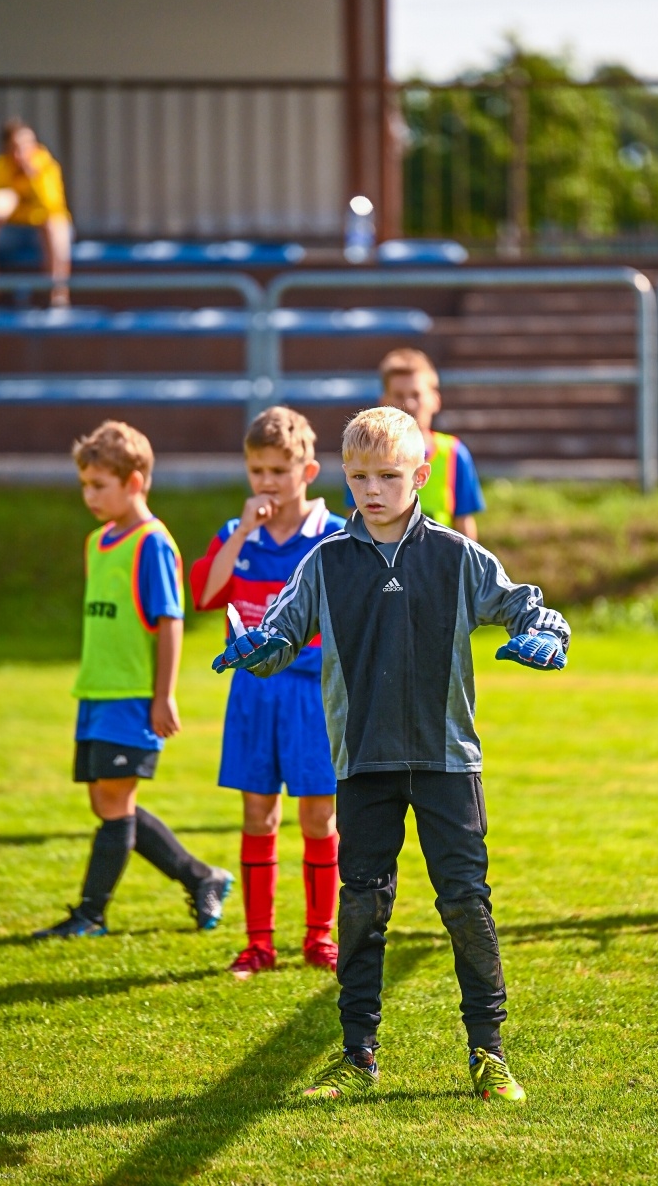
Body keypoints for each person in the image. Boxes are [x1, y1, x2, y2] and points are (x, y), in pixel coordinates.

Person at [213, 406, 570, 1103]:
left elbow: (528, 606)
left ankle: (489, 1054)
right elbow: (279, 634)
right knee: (363, 907)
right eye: (358, 476)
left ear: (421, 475)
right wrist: (256, 651)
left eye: (387, 475)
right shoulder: (325, 562)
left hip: (447, 760)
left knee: (466, 903)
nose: (371, 489)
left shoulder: (457, 557)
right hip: (362, 761)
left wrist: (547, 637)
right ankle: (356, 1056)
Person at [34, 420, 233, 939]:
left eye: (99, 485)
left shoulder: (153, 544)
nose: (89, 495)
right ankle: (201, 876)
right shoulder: (98, 541)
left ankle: (90, 915)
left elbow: (170, 620)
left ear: (135, 481)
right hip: (95, 693)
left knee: (115, 803)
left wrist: (162, 695)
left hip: (132, 697)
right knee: (106, 802)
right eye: (85, 485)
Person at [190, 406, 345, 978]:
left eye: (279, 470)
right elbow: (205, 593)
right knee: (258, 815)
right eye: (257, 470)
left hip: (312, 693)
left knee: (319, 818)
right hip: (253, 695)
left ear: (308, 471)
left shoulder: (332, 537)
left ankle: (320, 937)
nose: (266, 482)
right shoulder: (237, 534)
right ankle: (258, 944)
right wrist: (245, 532)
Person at [344, 348, 485, 539]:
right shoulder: (364, 453)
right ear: (384, 402)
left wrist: (468, 567)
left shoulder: (454, 453)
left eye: (416, 395)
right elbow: (354, 520)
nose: (408, 404)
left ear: (435, 400)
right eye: (399, 395)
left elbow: (464, 522)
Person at [0, 116, 72, 307]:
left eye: (29, 145)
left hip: (41, 231)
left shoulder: (45, 165)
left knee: (54, 226)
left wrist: (33, 177)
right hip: (11, 231)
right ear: (7, 148)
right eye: (17, 147)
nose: (24, 152)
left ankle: (58, 295)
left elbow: (52, 207)